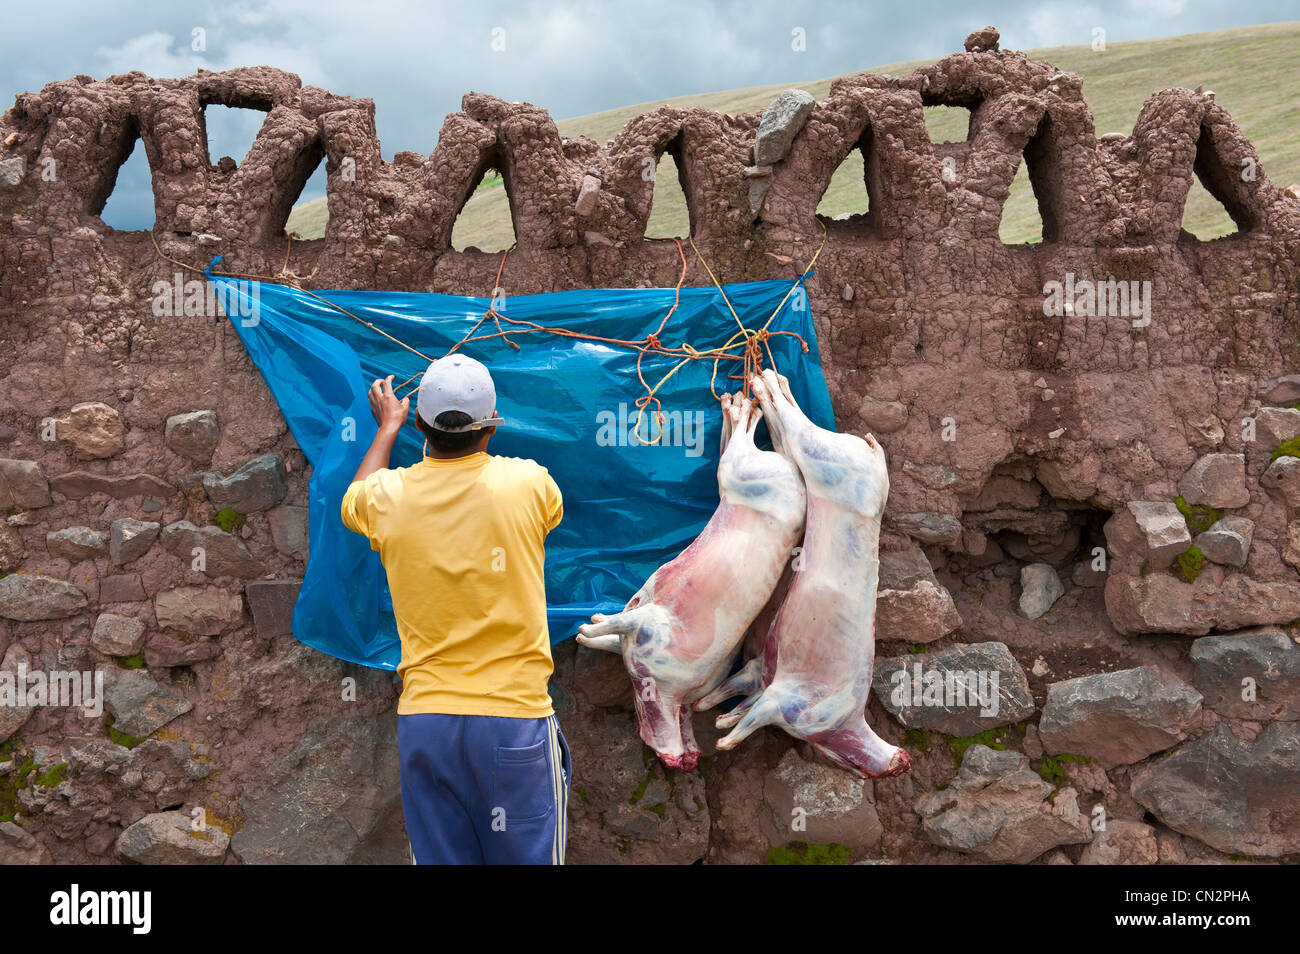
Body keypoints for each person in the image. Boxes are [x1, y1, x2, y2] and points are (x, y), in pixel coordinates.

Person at [339, 353, 570, 864]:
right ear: (493, 426)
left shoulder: (386, 498)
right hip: (514, 722)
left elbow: (355, 496)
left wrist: (387, 429)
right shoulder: (529, 484)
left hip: (428, 723)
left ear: (420, 424)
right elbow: (549, 511)